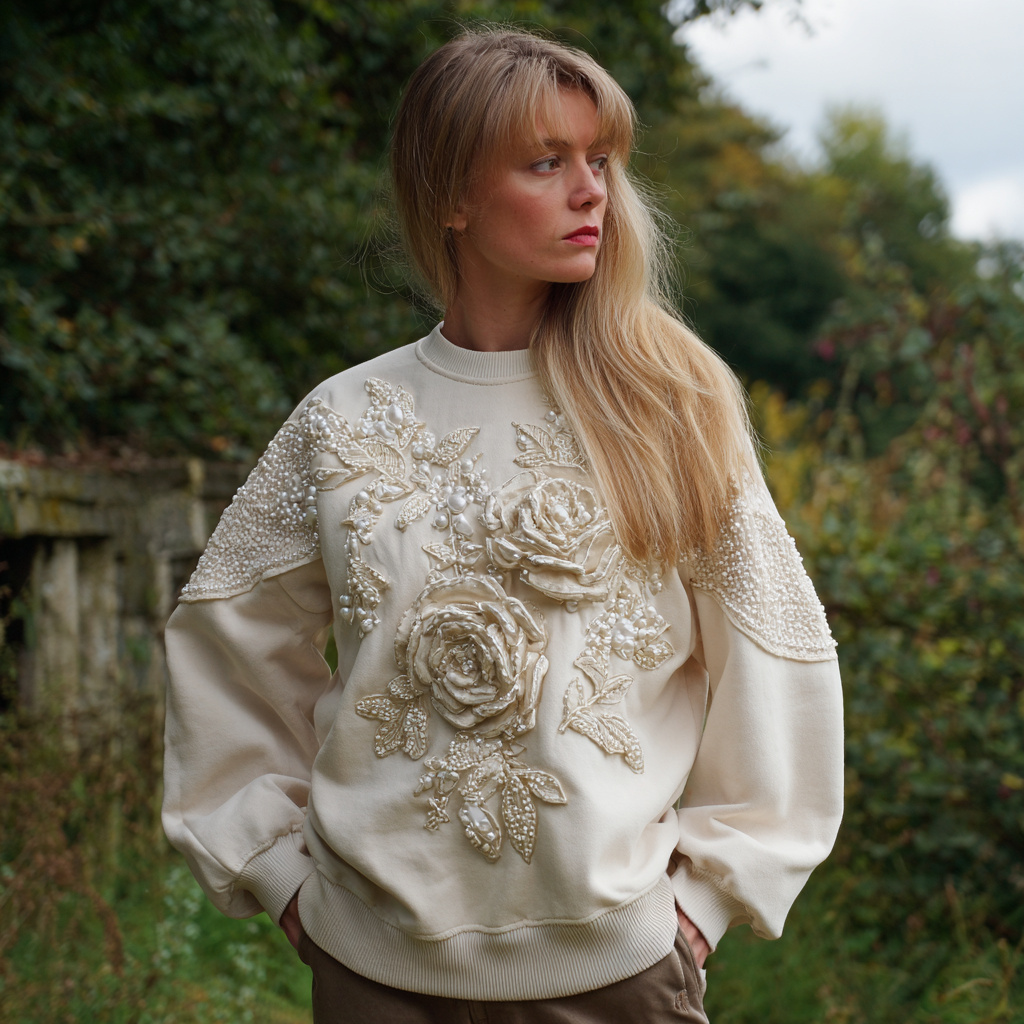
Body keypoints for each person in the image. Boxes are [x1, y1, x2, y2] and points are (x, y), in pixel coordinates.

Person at [162, 28, 843, 1023]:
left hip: (617, 977)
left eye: (600, 160)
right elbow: (225, 641)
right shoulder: (343, 420)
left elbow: (774, 653)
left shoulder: (670, 408)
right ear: (452, 195)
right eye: (546, 162)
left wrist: (705, 902)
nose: (591, 192)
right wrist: (277, 870)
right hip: (373, 975)